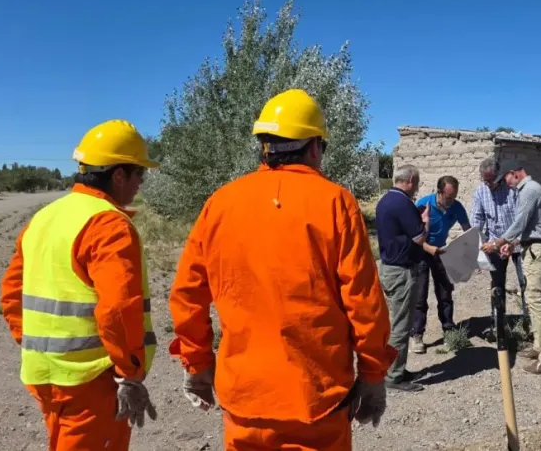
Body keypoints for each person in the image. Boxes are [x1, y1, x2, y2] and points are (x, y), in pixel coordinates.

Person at [168, 88, 397, 450]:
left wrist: (197, 363)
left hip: (244, 401)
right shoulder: (336, 203)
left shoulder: (221, 203)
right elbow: (364, 302)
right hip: (316, 399)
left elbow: (186, 294)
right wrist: (372, 373)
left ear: (265, 147)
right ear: (314, 147)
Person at [0, 119, 160, 451]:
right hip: (91, 380)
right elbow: (117, 308)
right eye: (138, 173)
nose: (141, 183)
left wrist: (36, 346)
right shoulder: (109, 224)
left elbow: (11, 293)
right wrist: (129, 372)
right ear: (118, 175)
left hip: (44, 374)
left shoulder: (44, 217)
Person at [482, 159, 541, 374]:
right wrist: (513, 243)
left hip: (537, 250)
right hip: (530, 247)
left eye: (506, 179)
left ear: (514, 174)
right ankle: (539, 346)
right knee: (533, 299)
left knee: (535, 299)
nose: (506, 185)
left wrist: (498, 242)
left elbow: (520, 222)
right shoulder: (528, 190)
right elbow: (529, 226)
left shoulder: (529, 190)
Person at [374, 164, 431, 392]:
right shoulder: (403, 202)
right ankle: (394, 376)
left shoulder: (386, 200)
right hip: (401, 271)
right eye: (416, 182)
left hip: (389, 267)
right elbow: (419, 237)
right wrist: (425, 220)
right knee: (401, 325)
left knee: (394, 322)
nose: (416, 187)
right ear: (408, 180)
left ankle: (394, 368)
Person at [409, 176, 472, 354]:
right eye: (449, 197)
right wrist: (428, 248)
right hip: (422, 251)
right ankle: (417, 335)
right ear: (439, 192)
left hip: (442, 252)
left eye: (454, 196)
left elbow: (468, 231)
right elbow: (413, 235)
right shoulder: (423, 204)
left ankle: (449, 331)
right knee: (420, 295)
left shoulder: (457, 207)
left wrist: (472, 252)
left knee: (445, 292)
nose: (452, 201)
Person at [470, 157, 528, 337]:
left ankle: (529, 322)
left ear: (499, 176)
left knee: (525, 281)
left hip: (517, 242)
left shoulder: (514, 191)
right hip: (494, 244)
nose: (487, 183)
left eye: (490, 180)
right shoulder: (480, 192)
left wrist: (510, 242)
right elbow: (477, 220)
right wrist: (478, 246)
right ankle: (498, 322)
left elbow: (522, 219)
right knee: (497, 284)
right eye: (484, 179)